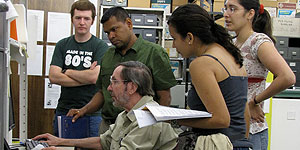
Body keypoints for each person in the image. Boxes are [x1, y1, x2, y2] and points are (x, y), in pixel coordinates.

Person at [67, 6, 177, 134]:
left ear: (129, 24)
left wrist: (162, 130)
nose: (111, 36)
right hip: (108, 127)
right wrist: (83, 110)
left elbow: (164, 96)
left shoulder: (154, 52)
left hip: (141, 128)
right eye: (107, 32)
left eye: (114, 29)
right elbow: (103, 93)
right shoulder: (108, 55)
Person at [33, 61, 179, 150]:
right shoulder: (126, 114)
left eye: (114, 82)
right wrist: (61, 142)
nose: (109, 88)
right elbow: (104, 141)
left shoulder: (149, 118)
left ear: (131, 87)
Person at [168, 3, 253, 149]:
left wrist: (176, 120)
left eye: (174, 38)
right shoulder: (231, 56)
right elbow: (244, 112)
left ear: (189, 37)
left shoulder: (202, 64)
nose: (174, 46)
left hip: (218, 144)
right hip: (240, 144)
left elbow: (221, 119)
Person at [223, 0, 296, 149]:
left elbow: (287, 77)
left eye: (233, 9)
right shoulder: (232, 43)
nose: (226, 14)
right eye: (225, 8)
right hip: (230, 129)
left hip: (252, 131)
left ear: (250, 14)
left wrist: (255, 101)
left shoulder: (258, 42)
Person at [49, 0, 108, 137]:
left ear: (92, 21)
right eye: (78, 18)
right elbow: (53, 76)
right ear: (72, 19)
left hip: (92, 113)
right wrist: (86, 76)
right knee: (63, 147)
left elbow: (94, 77)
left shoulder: (100, 46)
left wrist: (67, 71)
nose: (82, 22)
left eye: (86, 18)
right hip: (64, 111)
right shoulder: (62, 45)